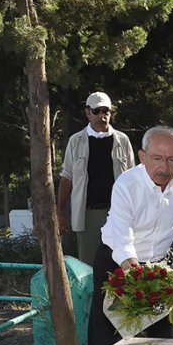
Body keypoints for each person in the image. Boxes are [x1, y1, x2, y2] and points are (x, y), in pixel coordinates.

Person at [87, 125, 173, 345]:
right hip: (117, 263)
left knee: (161, 335)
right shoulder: (126, 184)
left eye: (172, 160)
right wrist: (138, 279)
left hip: (160, 264)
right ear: (142, 156)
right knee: (107, 335)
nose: (164, 167)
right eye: (157, 158)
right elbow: (123, 239)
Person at [57, 91, 134, 265]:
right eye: (97, 111)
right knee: (88, 267)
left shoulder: (122, 141)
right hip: (87, 215)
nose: (102, 116)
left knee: (120, 266)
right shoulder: (76, 141)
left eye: (106, 111)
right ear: (87, 113)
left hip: (117, 214)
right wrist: (60, 212)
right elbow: (67, 177)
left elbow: (132, 179)